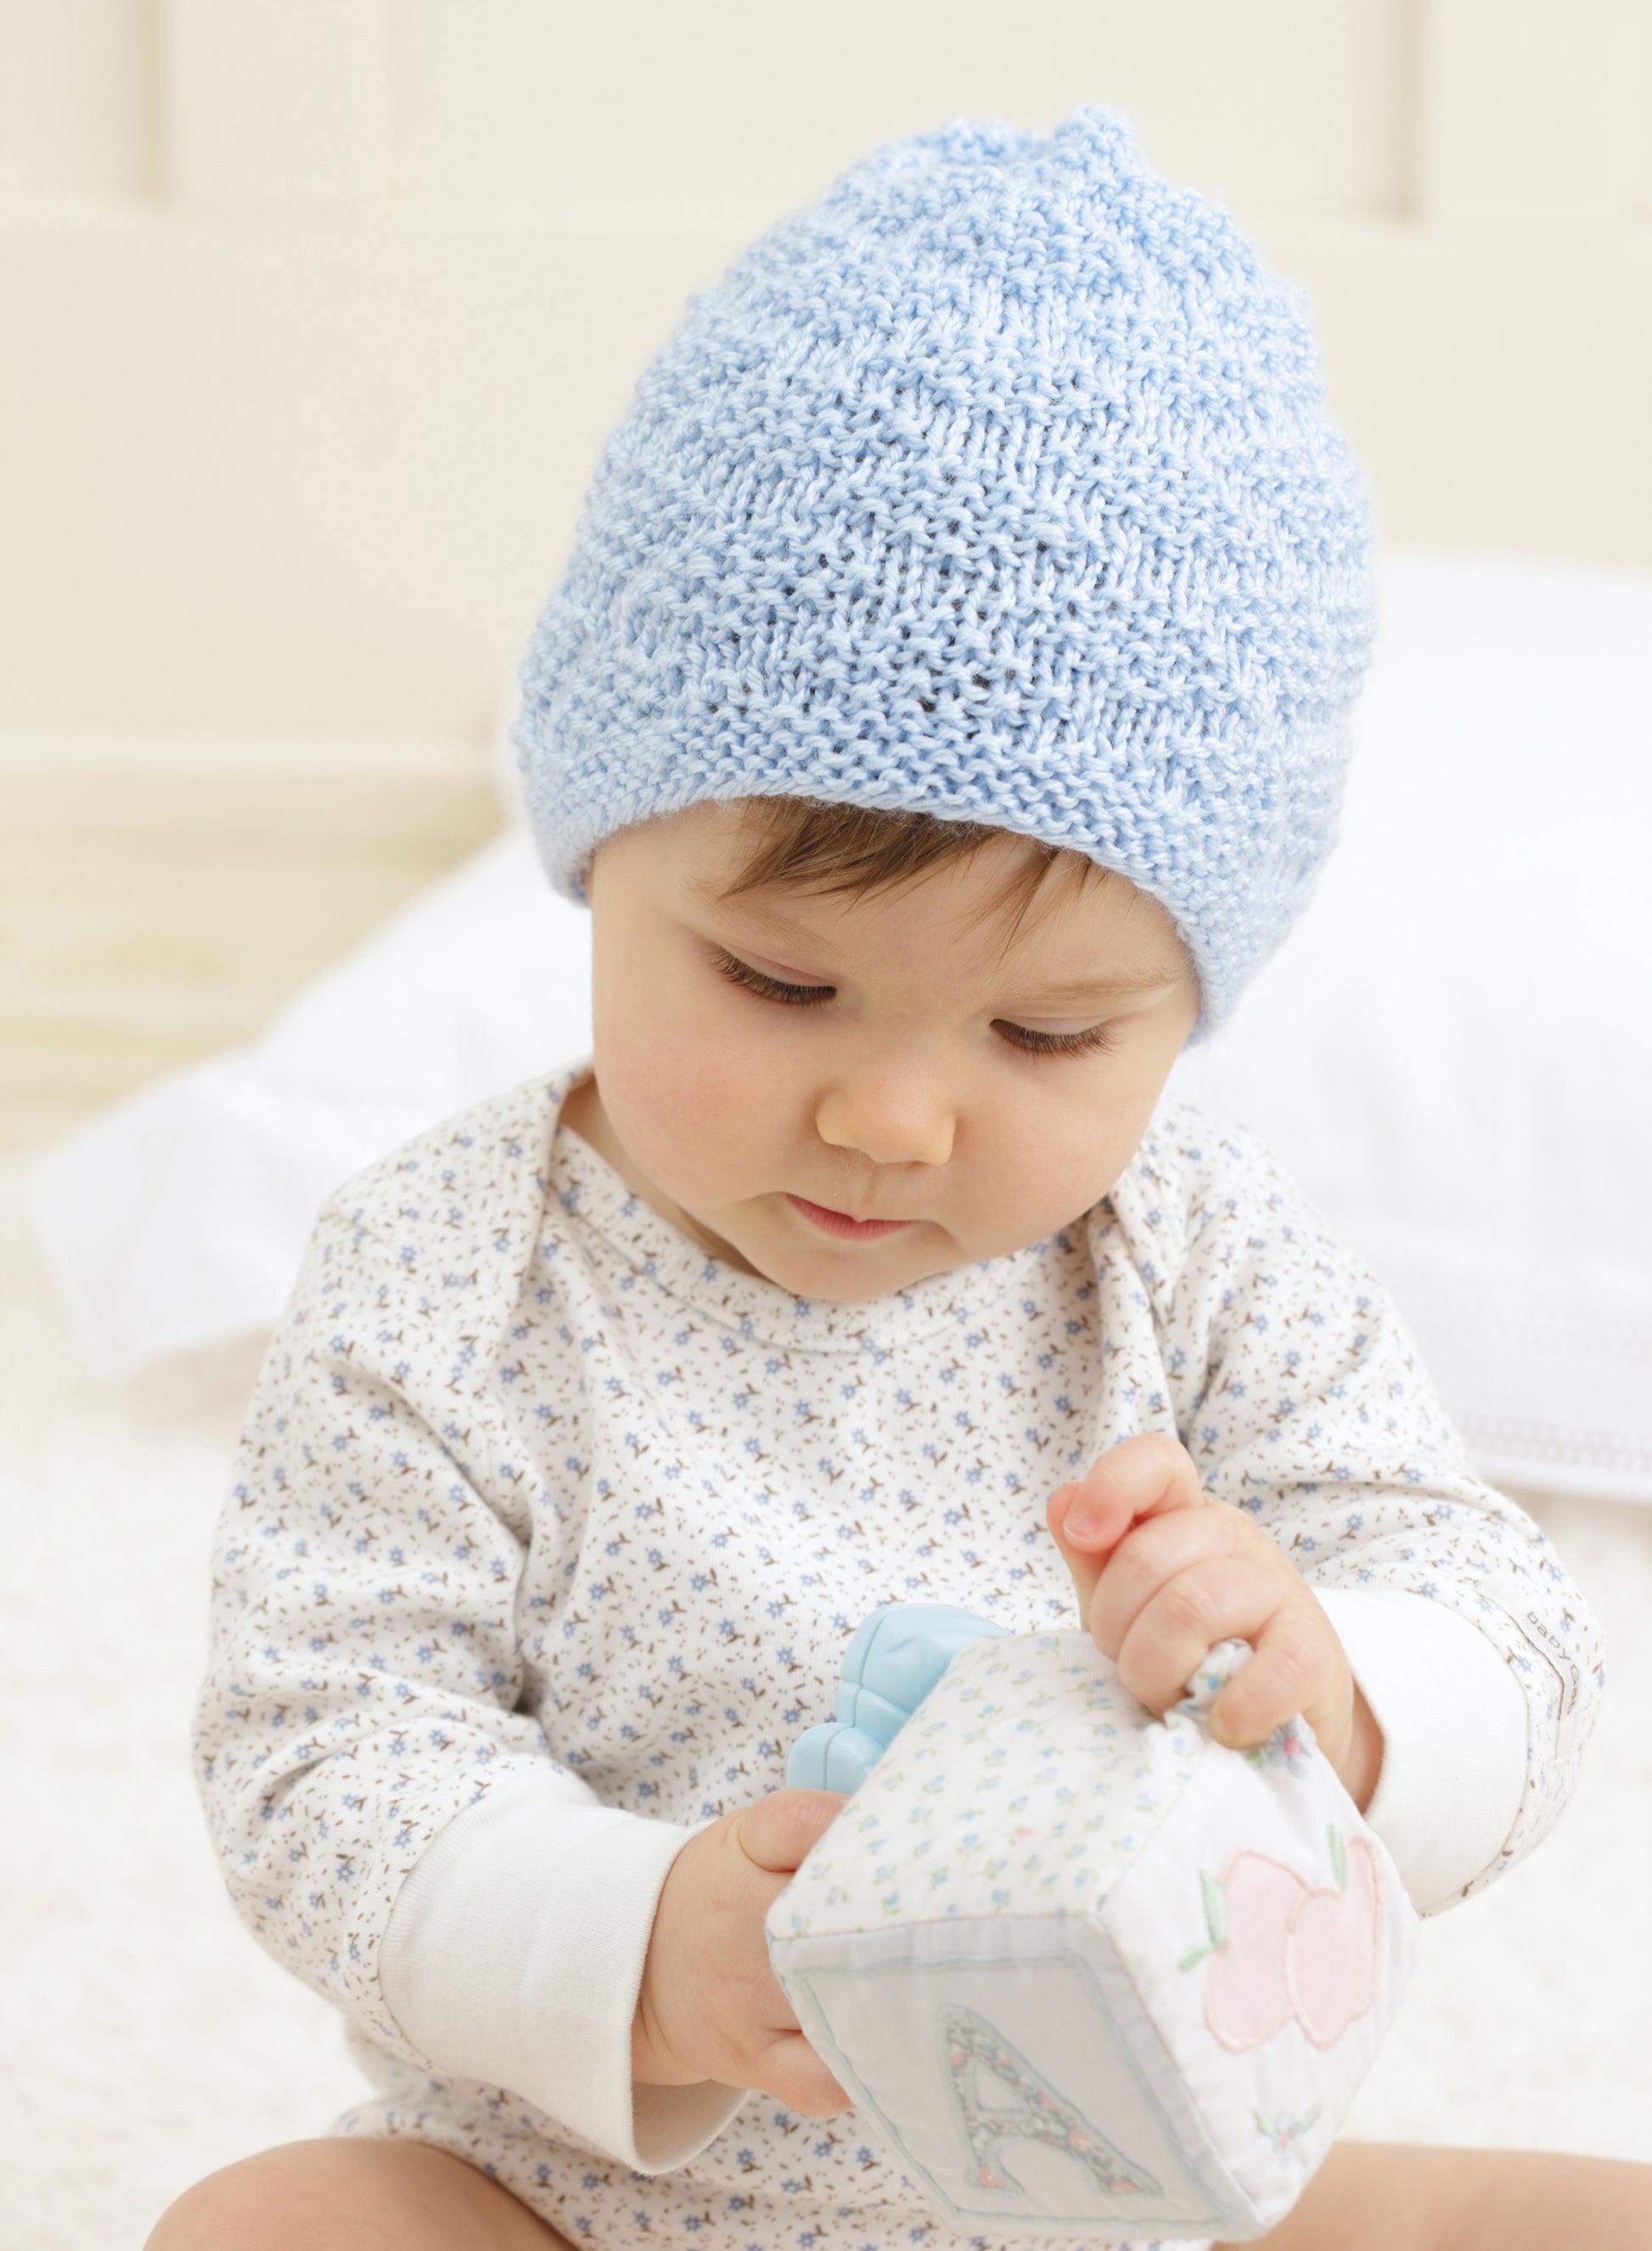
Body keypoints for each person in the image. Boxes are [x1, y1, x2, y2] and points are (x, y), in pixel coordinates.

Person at [149, 113, 1644, 2250]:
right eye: (778, 979)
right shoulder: (448, 1270)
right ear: (598, 862)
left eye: (1046, 1034)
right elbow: (321, 1756)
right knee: (275, 2223)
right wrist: (651, 1939)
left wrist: (1336, 1678)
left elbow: (1504, 1613)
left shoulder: (1196, 1249)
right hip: (595, 2194)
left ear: (1183, 1002)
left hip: (1151, 2191)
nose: (892, 1119)